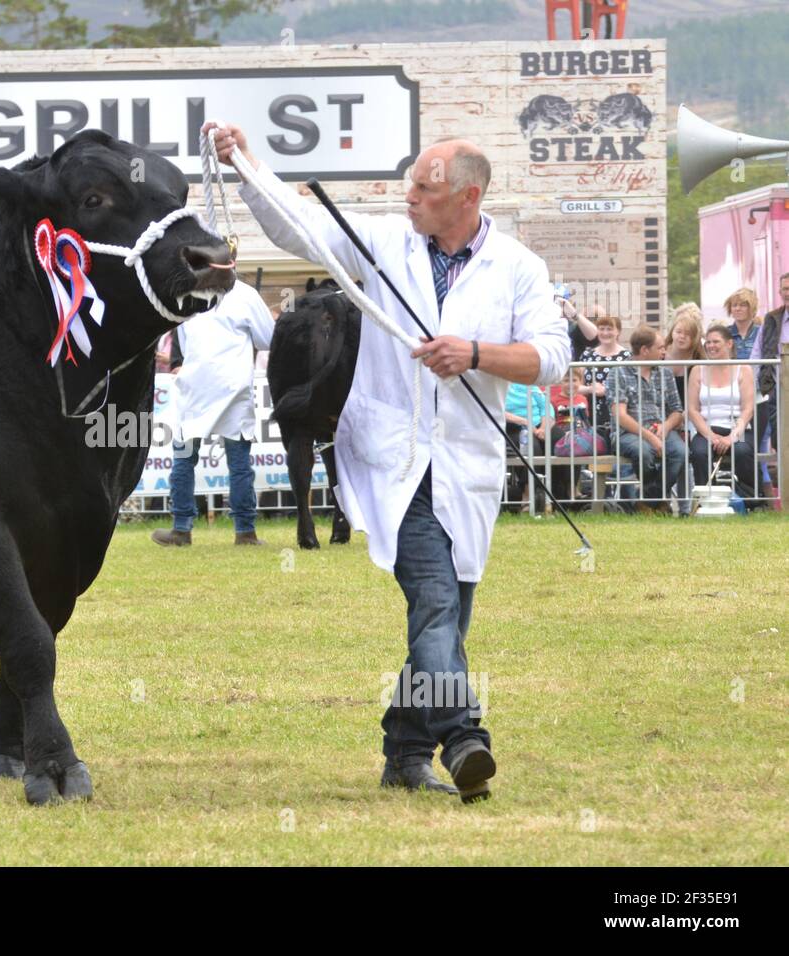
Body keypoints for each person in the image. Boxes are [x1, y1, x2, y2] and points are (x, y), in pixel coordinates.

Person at [206, 121, 569, 803]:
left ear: (465, 197)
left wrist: (476, 353)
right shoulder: (385, 240)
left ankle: (404, 752)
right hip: (391, 460)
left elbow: (552, 355)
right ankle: (464, 735)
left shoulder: (518, 267)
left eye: (424, 189)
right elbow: (299, 229)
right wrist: (246, 161)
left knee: (450, 616)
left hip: (466, 465)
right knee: (434, 601)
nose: (409, 198)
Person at [151, 280, 275, 547]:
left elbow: (183, 343)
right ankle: (245, 531)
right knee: (239, 463)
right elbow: (268, 337)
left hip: (196, 386)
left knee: (184, 458)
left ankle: (181, 528)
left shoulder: (188, 290)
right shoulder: (246, 294)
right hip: (233, 387)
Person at [605, 326, 686, 510]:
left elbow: (677, 411)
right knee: (643, 451)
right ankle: (658, 503)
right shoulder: (619, 372)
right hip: (627, 433)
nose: (664, 351)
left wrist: (665, 427)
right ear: (644, 350)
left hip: (660, 428)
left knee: (680, 453)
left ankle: (648, 502)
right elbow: (620, 415)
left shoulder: (665, 373)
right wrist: (649, 436)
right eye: (660, 347)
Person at [689, 324, 757, 500]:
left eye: (716, 342)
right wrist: (711, 436)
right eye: (708, 342)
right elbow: (692, 409)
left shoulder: (744, 369)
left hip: (737, 427)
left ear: (729, 344)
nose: (711, 346)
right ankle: (707, 499)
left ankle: (750, 500)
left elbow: (748, 409)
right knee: (699, 452)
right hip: (707, 428)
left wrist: (731, 437)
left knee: (742, 451)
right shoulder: (697, 370)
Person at [664, 304, 705, 513]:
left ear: (695, 338)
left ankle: (686, 507)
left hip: (691, 412)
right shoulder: (660, 354)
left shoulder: (699, 360)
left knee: (686, 456)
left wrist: (686, 417)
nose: (681, 337)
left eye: (687, 334)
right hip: (665, 414)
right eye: (678, 332)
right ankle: (657, 500)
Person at [575, 311, 630, 439]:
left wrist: (607, 391)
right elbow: (575, 386)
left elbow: (632, 389)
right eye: (601, 329)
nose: (605, 333)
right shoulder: (587, 355)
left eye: (609, 329)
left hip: (617, 411)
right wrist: (589, 389)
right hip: (589, 412)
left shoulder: (628, 357)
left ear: (618, 332)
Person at [753, 271, 789, 458]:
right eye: (785, 289)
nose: (788, 293)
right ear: (780, 292)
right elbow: (757, 353)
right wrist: (752, 385)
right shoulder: (772, 319)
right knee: (779, 440)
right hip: (777, 389)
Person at [723, 287, 761, 361]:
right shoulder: (724, 333)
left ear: (752, 308)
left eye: (743, 305)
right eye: (734, 305)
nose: (737, 308)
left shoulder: (761, 333)